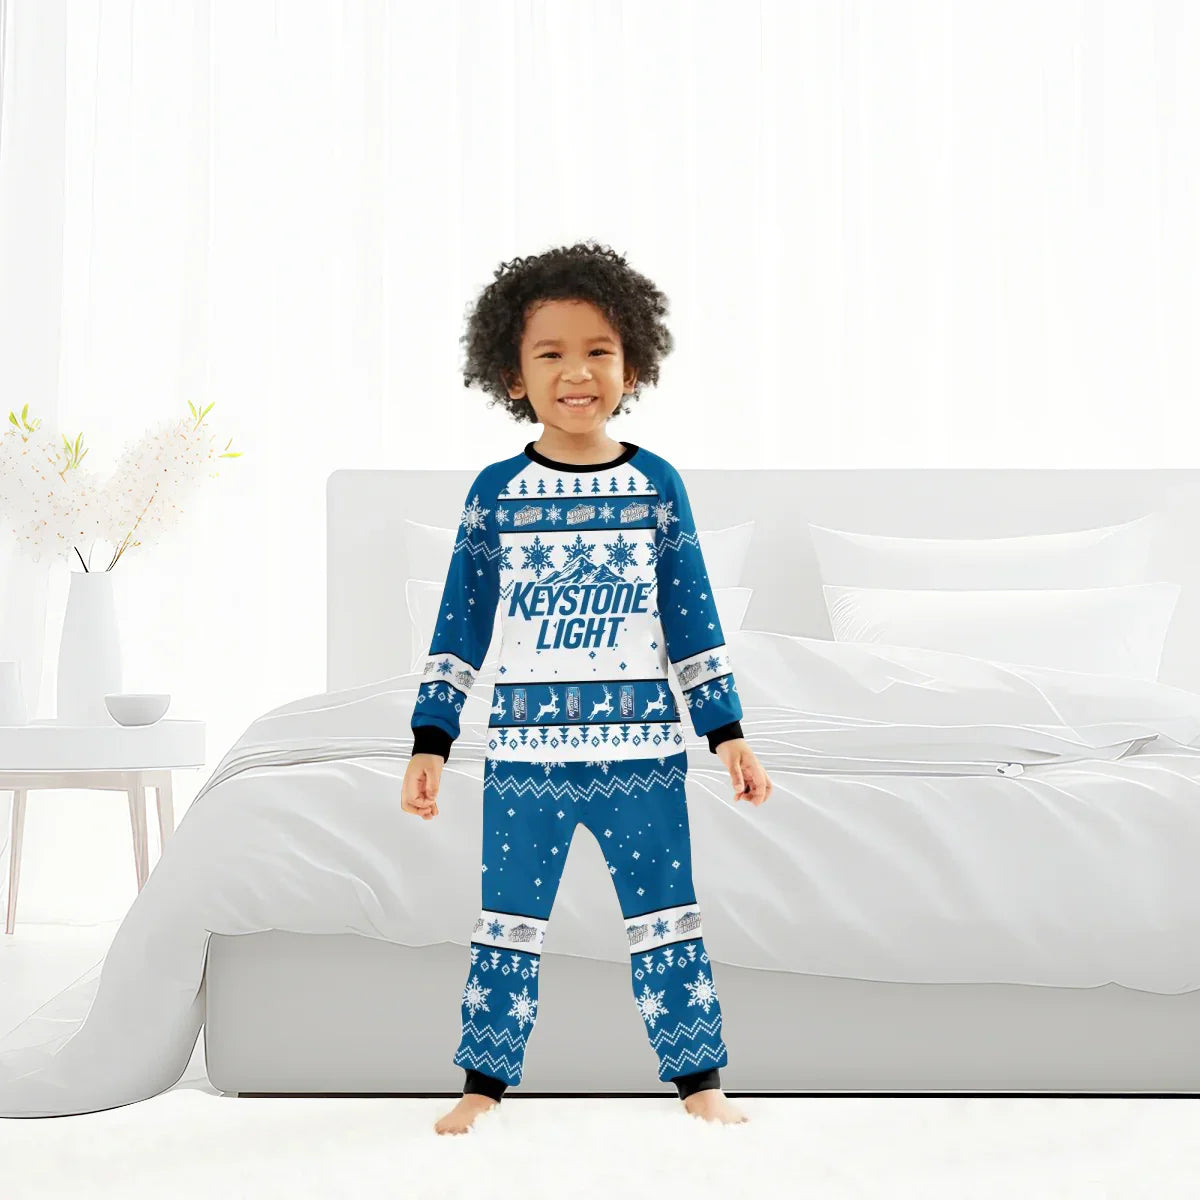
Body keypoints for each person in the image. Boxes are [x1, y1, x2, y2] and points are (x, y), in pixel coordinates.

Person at [400, 241, 772, 1135]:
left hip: (642, 754)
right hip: (525, 758)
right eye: (551, 354)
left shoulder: (655, 488)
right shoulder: (498, 492)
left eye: (598, 350)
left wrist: (727, 734)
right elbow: (461, 623)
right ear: (511, 374)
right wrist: (430, 739)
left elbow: (691, 618)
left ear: (633, 364)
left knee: (667, 917)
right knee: (508, 921)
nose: (577, 372)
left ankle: (700, 1082)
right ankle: (483, 1084)